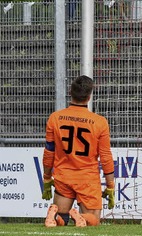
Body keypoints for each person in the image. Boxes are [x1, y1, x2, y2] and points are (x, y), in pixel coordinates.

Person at [41, 75, 116, 227]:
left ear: (70, 92)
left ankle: (56, 216)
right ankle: (80, 216)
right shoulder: (99, 122)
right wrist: (110, 185)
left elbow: (49, 151)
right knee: (93, 221)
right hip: (87, 179)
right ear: (89, 97)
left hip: (63, 176)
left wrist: (47, 177)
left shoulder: (55, 118)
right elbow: (106, 156)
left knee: (61, 221)